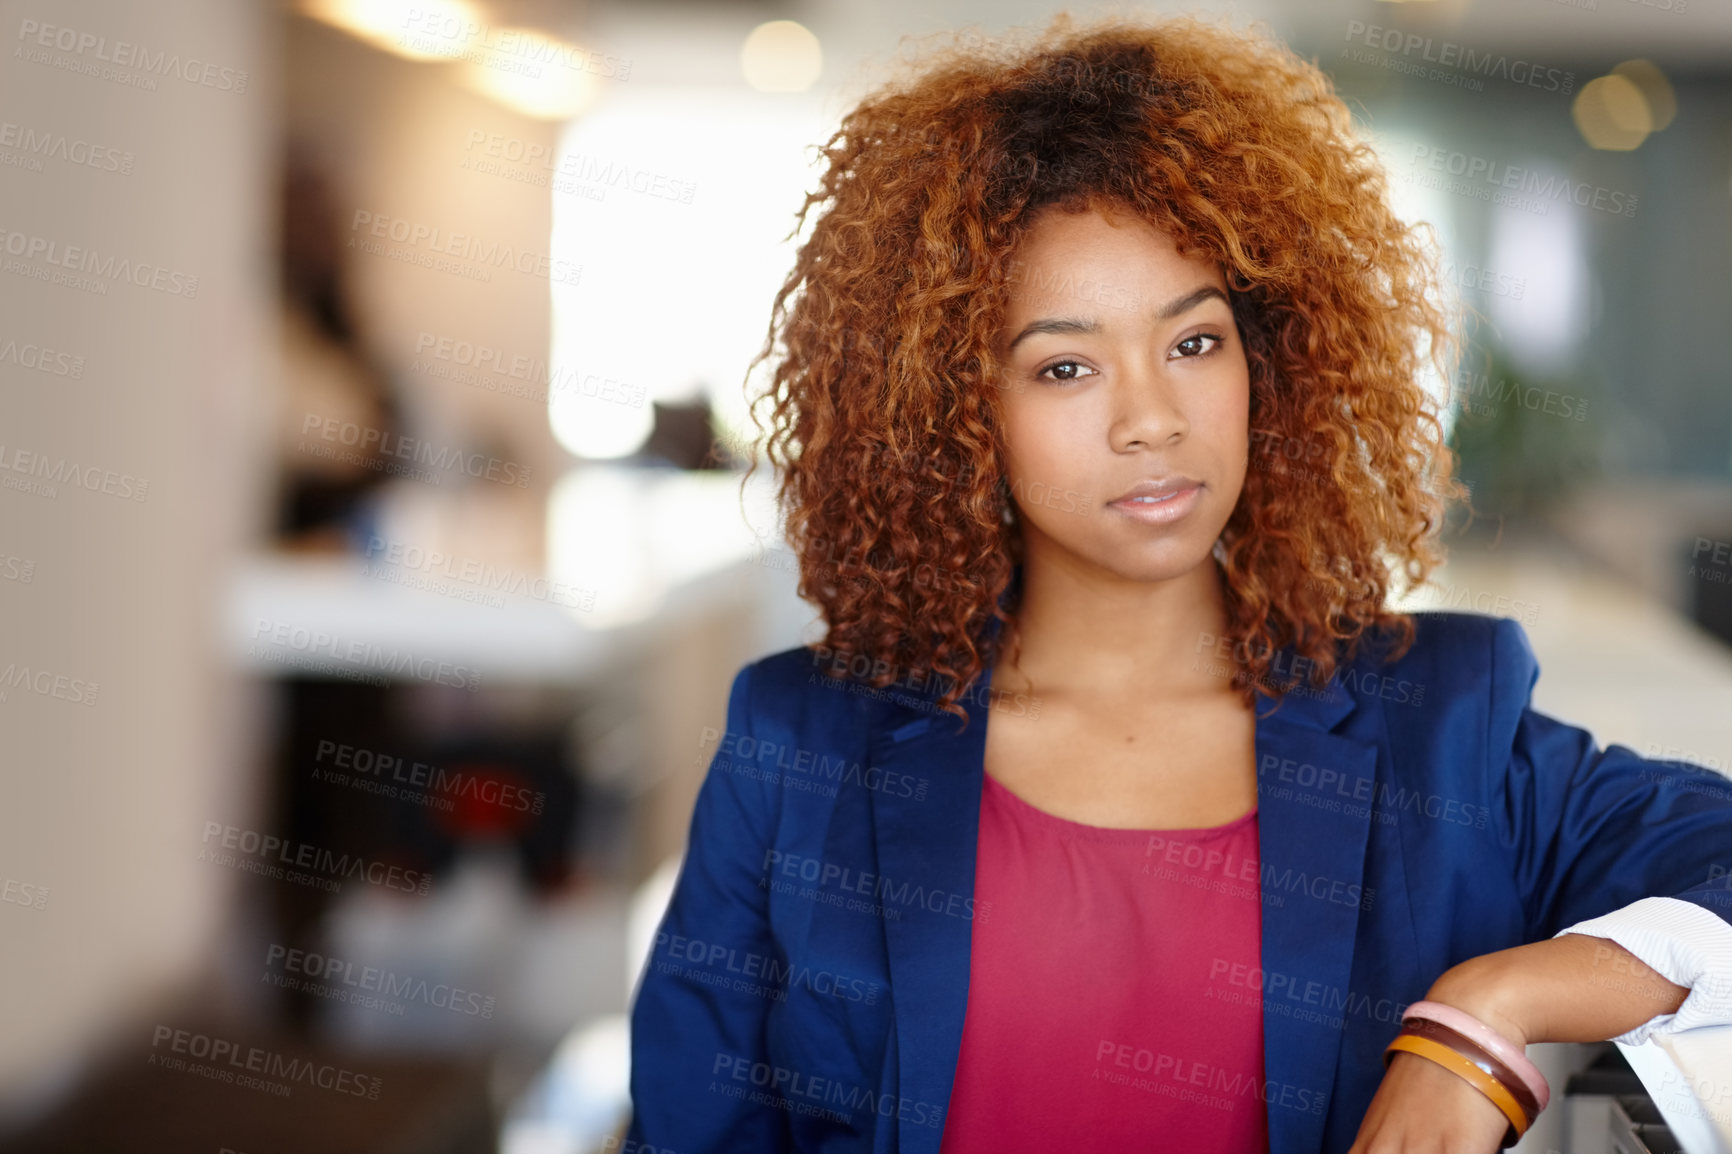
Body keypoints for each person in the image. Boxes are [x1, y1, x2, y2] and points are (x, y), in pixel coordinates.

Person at [625, 14, 1732, 1153]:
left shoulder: (1441, 722)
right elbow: (693, 1127)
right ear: (959, 415)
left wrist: (1485, 1018)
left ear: (1268, 360)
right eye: (1064, 365)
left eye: (1194, 342)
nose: (1150, 417)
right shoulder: (797, 743)